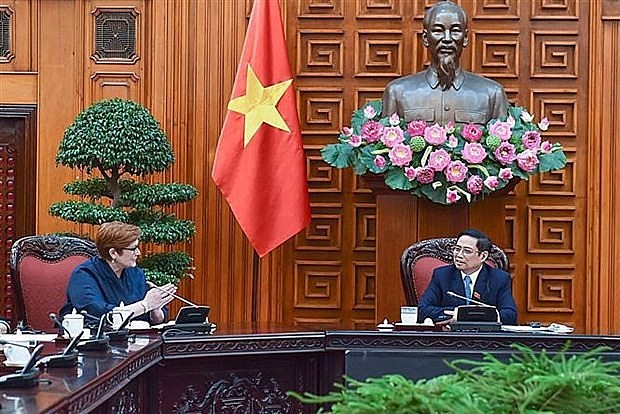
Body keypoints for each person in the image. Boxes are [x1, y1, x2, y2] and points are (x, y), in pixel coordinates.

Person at [382, 1, 508, 125]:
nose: (447, 39)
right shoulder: (397, 92)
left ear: (465, 38)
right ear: (425, 38)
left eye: (455, 31)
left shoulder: (492, 94)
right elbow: (385, 143)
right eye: (438, 31)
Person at [60, 221, 177, 325]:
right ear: (113, 253)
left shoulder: (135, 273)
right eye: (133, 249)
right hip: (92, 344)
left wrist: (155, 309)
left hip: (136, 342)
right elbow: (96, 314)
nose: (138, 253)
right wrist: (145, 305)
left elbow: (150, 318)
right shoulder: (84, 275)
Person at [417, 229, 517, 325]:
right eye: (457, 249)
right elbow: (423, 310)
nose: (459, 255)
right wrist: (457, 314)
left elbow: (510, 315)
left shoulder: (499, 278)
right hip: (451, 337)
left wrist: (469, 315)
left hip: (485, 339)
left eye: (467, 251)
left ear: (483, 256)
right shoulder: (442, 275)